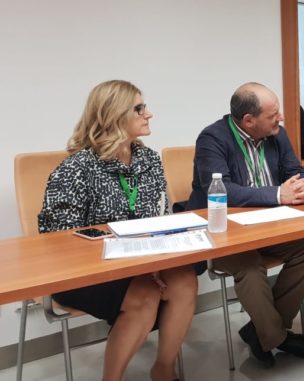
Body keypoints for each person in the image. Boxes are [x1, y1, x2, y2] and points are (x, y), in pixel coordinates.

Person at [38, 80, 198, 381]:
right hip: (85, 270)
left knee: (185, 281)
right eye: (138, 108)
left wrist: (151, 261)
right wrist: (132, 263)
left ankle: (164, 370)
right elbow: (59, 241)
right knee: (144, 295)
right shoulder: (77, 168)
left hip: (143, 261)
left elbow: (159, 217)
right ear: (114, 116)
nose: (148, 113)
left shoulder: (148, 159)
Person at [186, 82, 304, 367]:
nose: (281, 119)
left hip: (270, 225)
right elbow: (221, 189)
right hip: (224, 230)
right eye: (274, 114)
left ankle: (259, 331)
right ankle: (278, 338)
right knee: (249, 265)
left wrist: (302, 187)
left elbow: (297, 172)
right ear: (249, 121)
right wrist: (277, 194)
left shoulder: (277, 134)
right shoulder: (212, 138)